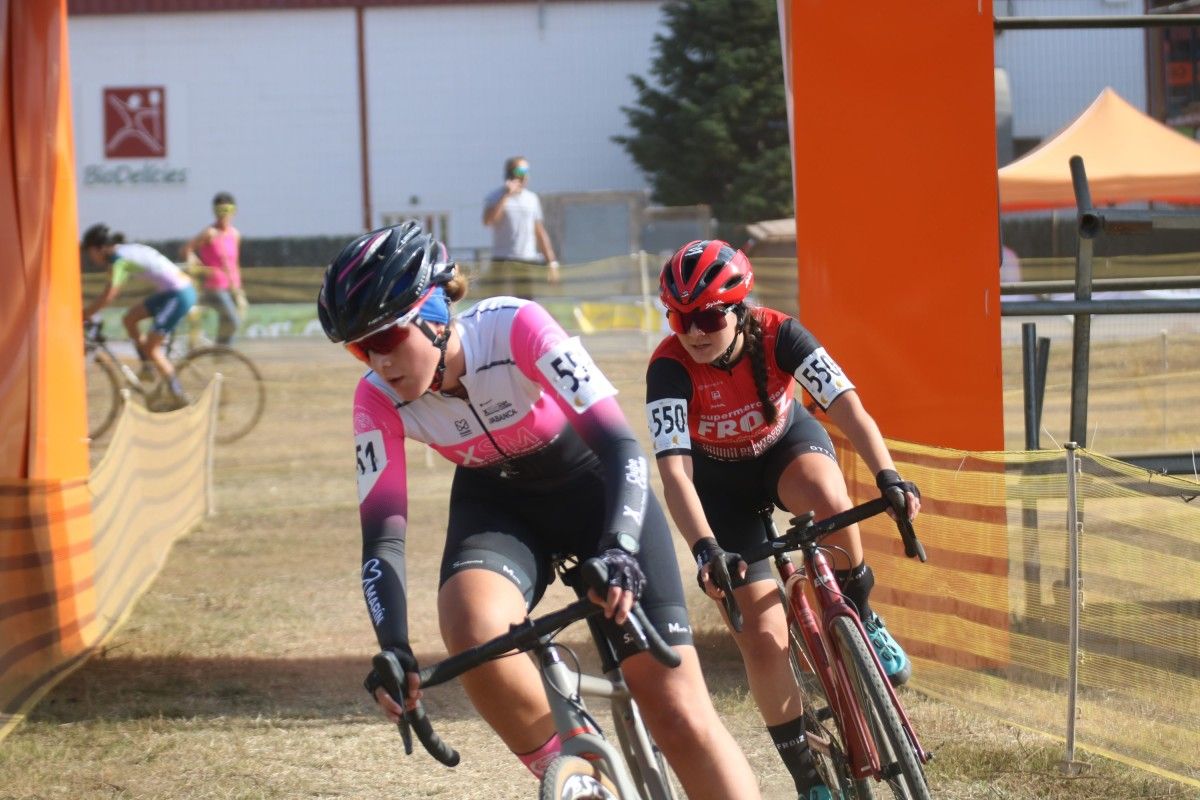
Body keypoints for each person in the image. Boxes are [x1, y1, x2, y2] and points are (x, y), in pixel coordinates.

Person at [317, 221, 761, 800]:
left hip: (597, 493)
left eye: (387, 337)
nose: (378, 361)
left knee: (678, 714)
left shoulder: (513, 328)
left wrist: (620, 549)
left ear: (431, 311)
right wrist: (394, 646)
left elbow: (622, 447)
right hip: (499, 505)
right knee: (469, 624)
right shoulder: (376, 399)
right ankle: (580, 775)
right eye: (360, 348)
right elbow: (383, 542)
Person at [643, 240, 921, 800]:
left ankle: (860, 614)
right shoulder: (669, 367)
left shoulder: (781, 335)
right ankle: (808, 776)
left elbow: (848, 407)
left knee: (826, 492)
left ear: (739, 308)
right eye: (679, 317)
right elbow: (675, 474)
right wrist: (704, 549)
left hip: (782, 453)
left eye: (707, 315)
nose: (693, 330)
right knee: (764, 639)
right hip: (718, 488)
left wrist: (889, 475)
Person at [81, 223, 197, 405]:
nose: (89, 257)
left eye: (89, 251)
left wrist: (84, 314)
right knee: (129, 319)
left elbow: (109, 296)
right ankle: (147, 367)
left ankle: (179, 396)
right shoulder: (121, 251)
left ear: (99, 248)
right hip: (173, 291)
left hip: (179, 294)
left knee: (153, 348)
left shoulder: (118, 260)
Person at [481, 155, 559, 300]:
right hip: (502, 259)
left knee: (525, 302)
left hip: (526, 259)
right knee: (499, 303)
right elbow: (488, 221)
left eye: (527, 171)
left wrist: (551, 261)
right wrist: (506, 195)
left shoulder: (532, 199)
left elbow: (539, 231)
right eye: (521, 171)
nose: (525, 176)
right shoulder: (495, 196)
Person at [181, 191, 246, 345]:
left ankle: (222, 356)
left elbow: (234, 263)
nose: (223, 216)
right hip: (214, 288)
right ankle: (221, 353)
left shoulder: (235, 234)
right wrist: (196, 264)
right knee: (232, 321)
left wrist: (239, 287)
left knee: (230, 322)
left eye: (227, 211)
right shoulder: (210, 233)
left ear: (233, 212)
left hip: (232, 287)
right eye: (219, 211)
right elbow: (186, 250)